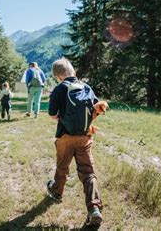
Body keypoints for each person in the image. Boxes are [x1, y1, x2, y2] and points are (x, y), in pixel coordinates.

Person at [46, 58, 103, 227]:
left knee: (62, 165)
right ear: (73, 72)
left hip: (65, 136)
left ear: (58, 76)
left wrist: (61, 117)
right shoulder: (86, 87)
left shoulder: (59, 89)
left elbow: (52, 114)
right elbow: (97, 108)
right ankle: (94, 209)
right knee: (88, 172)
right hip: (85, 137)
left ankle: (57, 191)